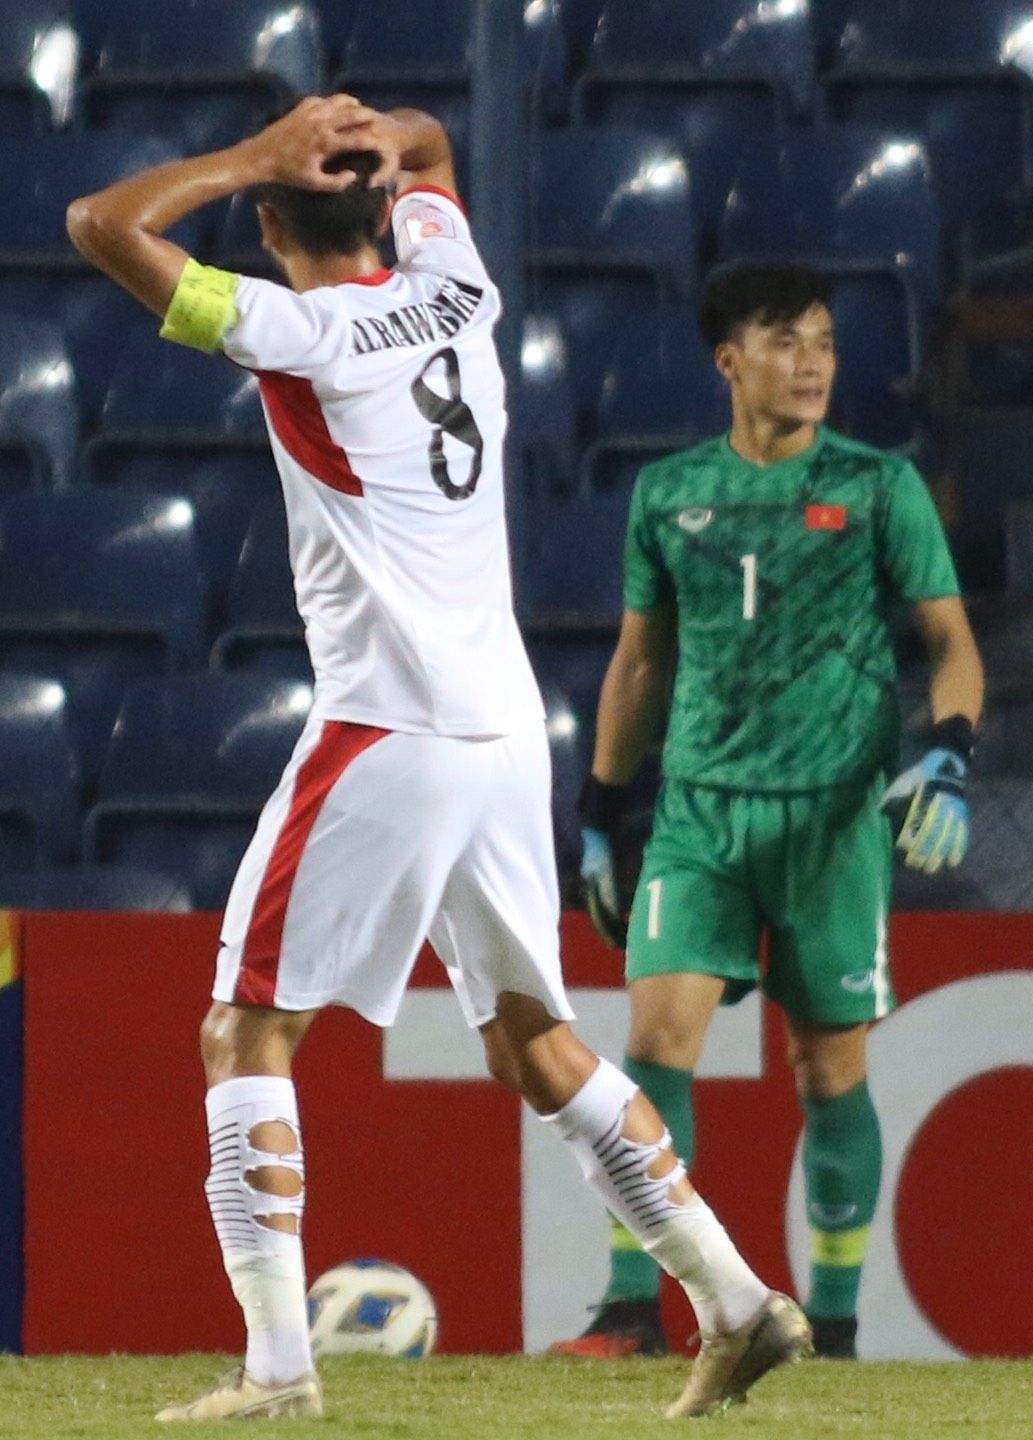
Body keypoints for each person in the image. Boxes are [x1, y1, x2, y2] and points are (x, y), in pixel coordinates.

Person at [66, 96, 807, 1420]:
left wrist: (256, 152)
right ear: (389, 206)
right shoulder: (456, 287)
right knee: (537, 1045)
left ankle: (281, 1371)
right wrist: (367, 133)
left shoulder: (295, 332)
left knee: (244, 1027)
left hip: (388, 720)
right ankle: (740, 1301)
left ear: (277, 222)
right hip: (505, 729)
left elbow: (100, 224)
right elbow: (432, 144)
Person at [555, 262, 983, 1361]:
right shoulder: (668, 493)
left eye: (826, 344)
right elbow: (640, 665)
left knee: (828, 1070)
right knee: (653, 1042)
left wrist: (949, 753)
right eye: (786, 342)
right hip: (698, 813)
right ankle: (632, 1308)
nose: (811, 365)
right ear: (728, 360)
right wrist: (602, 806)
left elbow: (949, 642)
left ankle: (832, 1326)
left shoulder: (879, 487)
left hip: (831, 820)